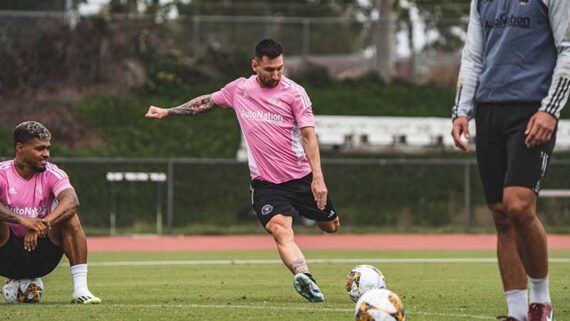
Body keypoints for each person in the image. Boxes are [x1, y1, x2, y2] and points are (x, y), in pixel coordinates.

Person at [145, 39, 340, 303]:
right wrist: (168, 111)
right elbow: (204, 103)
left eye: (280, 68)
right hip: (266, 183)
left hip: (301, 178)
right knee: (280, 229)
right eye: (270, 69)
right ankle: (305, 276)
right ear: (255, 65)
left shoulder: (295, 93)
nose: (276, 75)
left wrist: (318, 179)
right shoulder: (240, 89)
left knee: (330, 226)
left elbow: (308, 136)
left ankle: (314, 216)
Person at [451, 1, 569, 320]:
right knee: (502, 216)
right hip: (489, 111)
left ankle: (541, 304)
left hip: (531, 108)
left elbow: (568, 49)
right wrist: (461, 110)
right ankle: (516, 312)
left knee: (517, 204)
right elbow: (473, 56)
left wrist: (550, 109)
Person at [0, 121, 101, 304]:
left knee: (70, 217)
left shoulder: (52, 172)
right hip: (5, 254)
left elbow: (72, 201)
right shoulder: (2, 172)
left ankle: (81, 290)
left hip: (42, 254)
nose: (46, 154)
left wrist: (42, 224)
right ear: (20, 148)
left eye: (47, 148)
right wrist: (24, 221)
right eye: (40, 148)